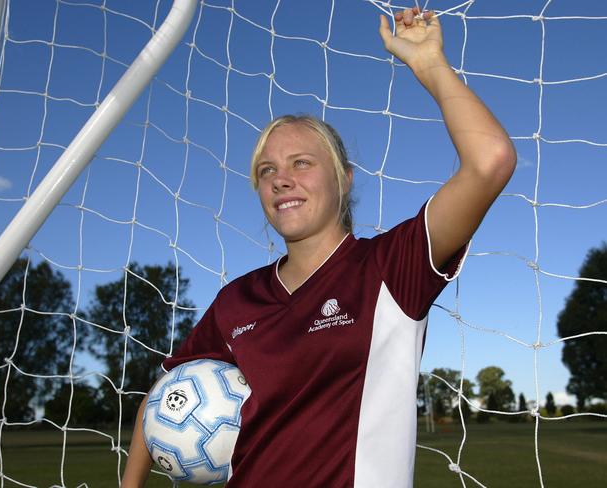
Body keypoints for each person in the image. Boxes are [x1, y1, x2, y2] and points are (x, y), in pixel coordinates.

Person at [121, 8, 516, 488]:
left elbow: (490, 160)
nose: (281, 178)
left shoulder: (390, 267)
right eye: (266, 170)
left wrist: (428, 63)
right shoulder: (237, 300)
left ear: (344, 179)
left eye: (301, 163)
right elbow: (164, 393)